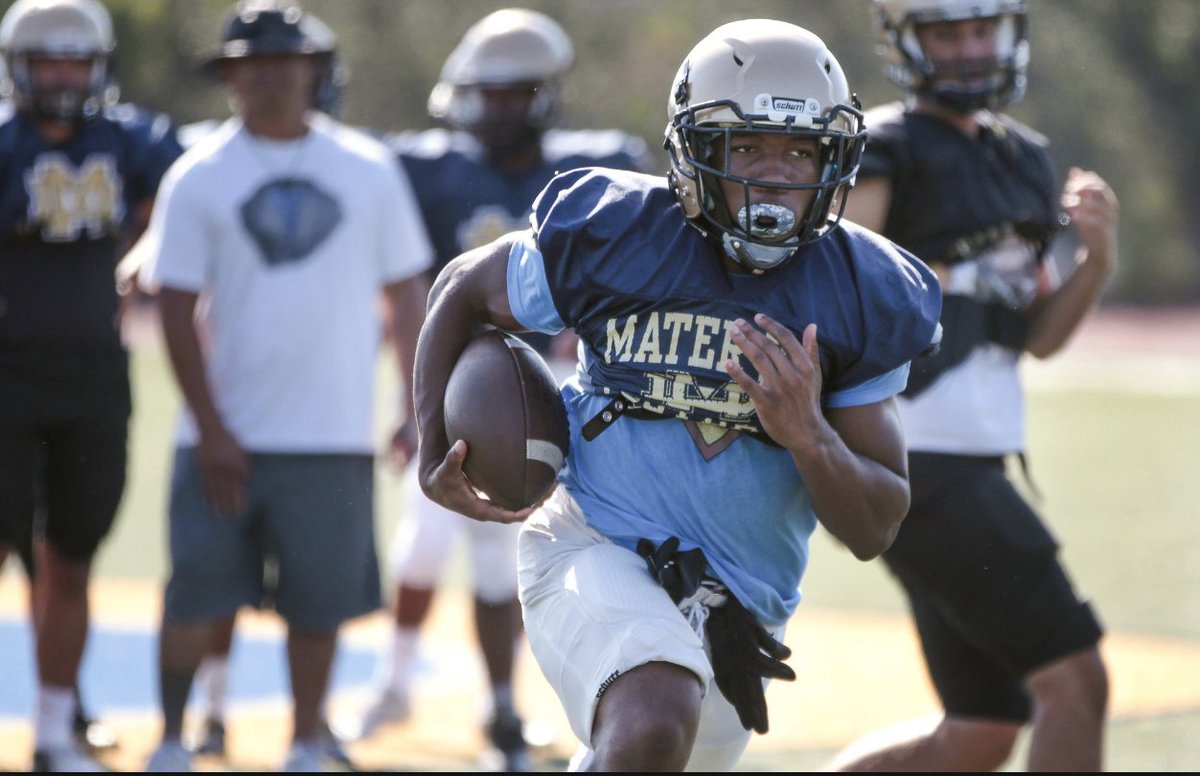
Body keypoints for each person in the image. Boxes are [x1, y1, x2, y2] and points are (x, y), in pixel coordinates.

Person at [411, 18, 943, 772]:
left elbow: (875, 526)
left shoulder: (861, 289)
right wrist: (433, 444)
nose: (776, 175)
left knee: (651, 744)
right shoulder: (624, 231)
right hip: (591, 544)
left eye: (800, 150)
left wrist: (808, 435)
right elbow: (463, 287)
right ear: (695, 153)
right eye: (747, 146)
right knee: (654, 716)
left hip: (738, 608)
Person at [338, 9, 653, 770]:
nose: (498, 110)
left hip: (543, 391)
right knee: (424, 541)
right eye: (488, 94)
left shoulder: (587, 172)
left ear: (544, 94)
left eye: (513, 94)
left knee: (498, 555)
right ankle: (399, 680)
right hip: (451, 382)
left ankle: (502, 706)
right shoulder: (432, 167)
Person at [137, 0, 432, 771]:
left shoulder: (368, 168)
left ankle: (304, 740)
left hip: (331, 431)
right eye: (251, 64)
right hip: (219, 434)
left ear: (314, 70)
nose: (269, 76)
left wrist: (411, 406)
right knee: (196, 595)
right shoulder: (198, 175)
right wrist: (213, 426)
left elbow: (407, 293)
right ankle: (172, 739)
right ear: (230, 76)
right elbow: (171, 304)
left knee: (319, 603)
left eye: (285, 61)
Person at [827, 0, 1115, 771]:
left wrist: (1098, 259)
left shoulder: (1023, 157)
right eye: (946, 32)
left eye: (980, 29)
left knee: (984, 725)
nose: (968, 48)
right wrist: (954, 274)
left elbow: (1039, 339)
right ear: (905, 42)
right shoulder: (885, 147)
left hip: (974, 454)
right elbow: (837, 286)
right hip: (918, 453)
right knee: (1075, 682)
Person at [0, 0, 183, 770]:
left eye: (78, 60)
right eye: (51, 62)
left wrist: (143, 246)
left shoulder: (132, 141)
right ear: (21, 67)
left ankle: (49, 731)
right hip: (6, 375)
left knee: (71, 556)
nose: (66, 76)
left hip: (93, 377)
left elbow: (179, 197)